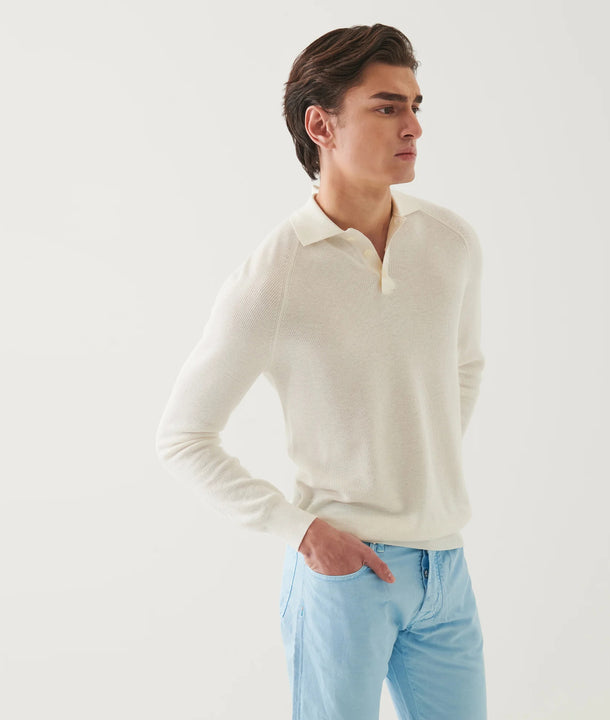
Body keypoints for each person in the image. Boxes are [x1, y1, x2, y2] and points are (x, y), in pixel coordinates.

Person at [155, 23, 487, 720]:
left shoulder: (450, 242)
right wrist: (300, 530)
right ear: (321, 125)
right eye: (387, 107)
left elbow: (463, 365)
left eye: (415, 106)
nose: (413, 127)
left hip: (445, 567)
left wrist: (415, 465)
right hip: (345, 575)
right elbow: (184, 437)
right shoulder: (275, 275)